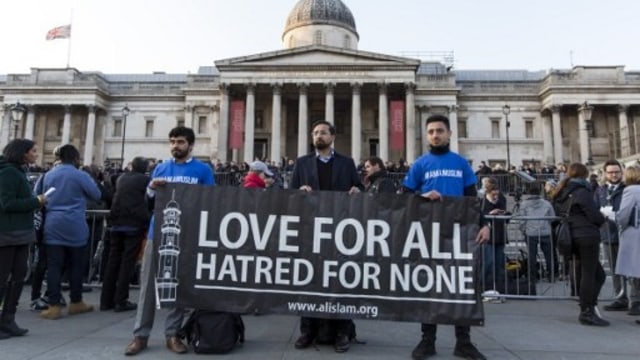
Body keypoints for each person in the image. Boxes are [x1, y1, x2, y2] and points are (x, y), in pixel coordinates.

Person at [402, 114, 490, 360]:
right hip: (429, 232)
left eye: (439, 130)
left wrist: (484, 225)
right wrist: (422, 196)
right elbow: (404, 197)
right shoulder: (419, 164)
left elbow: (473, 199)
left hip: (461, 232)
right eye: (430, 131)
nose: (435, 135)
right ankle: (427, 341)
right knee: (430, 287)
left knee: (462, 287)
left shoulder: (461, 163)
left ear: (449, 133)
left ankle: (464, 342)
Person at [125, 126, 215, 356]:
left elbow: (211, 200)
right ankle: (140, 335)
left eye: (181, 142)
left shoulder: (202, 170)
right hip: (159, 232)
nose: (176, 145)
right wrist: (152, 188)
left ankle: (172, 334)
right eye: (173, 141)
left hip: (187, 233)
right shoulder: (161, 168)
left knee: (179, 285)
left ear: (191, 145)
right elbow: (149, 199)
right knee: (147, 287)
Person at [290, 120, 363, 353]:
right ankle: (307, 330)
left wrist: (357, 191)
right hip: (310, 231)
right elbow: (290, 195)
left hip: (340, 232)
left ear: (333, 136)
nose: (318, 136)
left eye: (323, 132)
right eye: (315, 133)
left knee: (341, 281)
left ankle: (343, 331)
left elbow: (359, 188)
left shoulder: (347, 163)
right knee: (309, 280)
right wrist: (298, 193)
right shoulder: (301, 164)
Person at [39, 144, 102, 320]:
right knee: (76, 264)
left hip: (52, 223)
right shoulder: (80, 175)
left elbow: (38, 195)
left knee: (54, 266)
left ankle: (54, 305)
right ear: (75, 158)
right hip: (75, 223)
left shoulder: (48, 174)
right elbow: (96, 195)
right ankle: (76, 301)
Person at [550, 162, 608, 326]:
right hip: (586, 235)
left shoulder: (562, 191)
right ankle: (586, 310)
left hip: (571, 235)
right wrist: (602, 218)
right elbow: (593, 215)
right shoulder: (582, 191)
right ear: (584, 175)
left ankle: (587, 305)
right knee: (591, 274)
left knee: (596, 274)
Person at [0, 139, 46, 338]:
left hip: (20, 233)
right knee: (2, 279)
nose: (36, 153)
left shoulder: (17, 171)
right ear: (23, 153)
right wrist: (36, 201)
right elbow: (7, 203)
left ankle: (8, 319)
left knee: (18, 277)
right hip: (7, 233)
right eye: (33, 150)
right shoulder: (9, 173)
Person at [100, 157, 151, 312]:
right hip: (133, 224)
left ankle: (105, 300)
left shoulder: (122, 178)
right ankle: (121, 300)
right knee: (127, 263)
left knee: (113, 262)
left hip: (116, 223)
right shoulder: (145, 180)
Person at [594, 160, 637, 313]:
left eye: (617, 172)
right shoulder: (600, 190)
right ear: (605, 174)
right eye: (611, 172)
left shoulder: (628, 189)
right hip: (608, 235)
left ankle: (636, 299)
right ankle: (621, 297)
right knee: (615, 269)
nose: (614, 175)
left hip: (627, 235)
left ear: (622, 172)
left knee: (633, 269)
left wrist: (614, 215)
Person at [613, 164, 640, 325]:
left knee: (635, 270)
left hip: (634, 233)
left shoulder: (631, 191)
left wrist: (615, 219)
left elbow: (623, 214)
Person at [517, 184, 557, 282]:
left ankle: (533, 277)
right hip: (545, 231)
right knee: (549, 255)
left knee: (532, 256)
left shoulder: (524, 204)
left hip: (531, 232)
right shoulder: (547, 203)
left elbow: (522, 220)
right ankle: (551, 276)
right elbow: (552, 217)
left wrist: (523, 229)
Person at [480, 178, 508, 292]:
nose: (495, 194)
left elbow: (504, 211)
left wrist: (503, 213)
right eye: (493, 192)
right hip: (488, 235)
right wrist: (490, 213)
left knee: (499, 263)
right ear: (488, 191)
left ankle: (498, 287)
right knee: (488, 261)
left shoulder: (502, 199)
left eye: (497, 191)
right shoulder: (482, 201)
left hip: (499, 234)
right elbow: (480, 215)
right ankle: (484, 286)